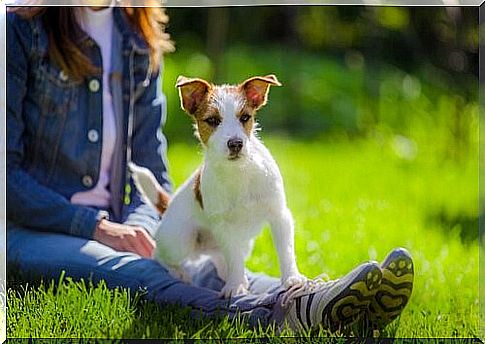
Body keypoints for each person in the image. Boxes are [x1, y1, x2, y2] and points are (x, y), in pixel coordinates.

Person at [6, 1, 414, 334]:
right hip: (32, 228)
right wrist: (97, 227)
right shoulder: (19, 30)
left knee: (207, 265)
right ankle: (279, 315)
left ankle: (318, 299)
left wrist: (146, 226)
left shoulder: (137, 37)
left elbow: (152, 166)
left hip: (124, 221)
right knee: (134, 271)